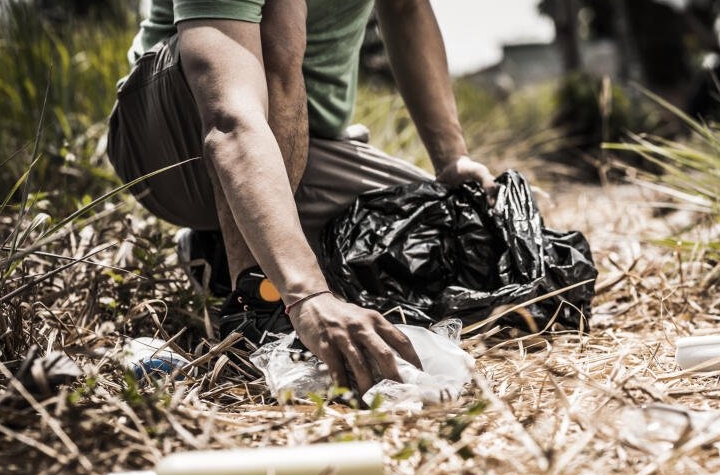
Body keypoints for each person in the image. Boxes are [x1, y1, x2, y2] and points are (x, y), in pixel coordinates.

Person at [106, 0, 496, 395]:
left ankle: (216, 251)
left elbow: (405, 8)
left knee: (447, 235)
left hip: (304, 145)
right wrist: (307, 294)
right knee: (283, 15)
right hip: (172, 144)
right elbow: (229, 118)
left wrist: (452, 160)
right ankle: (256, 298)